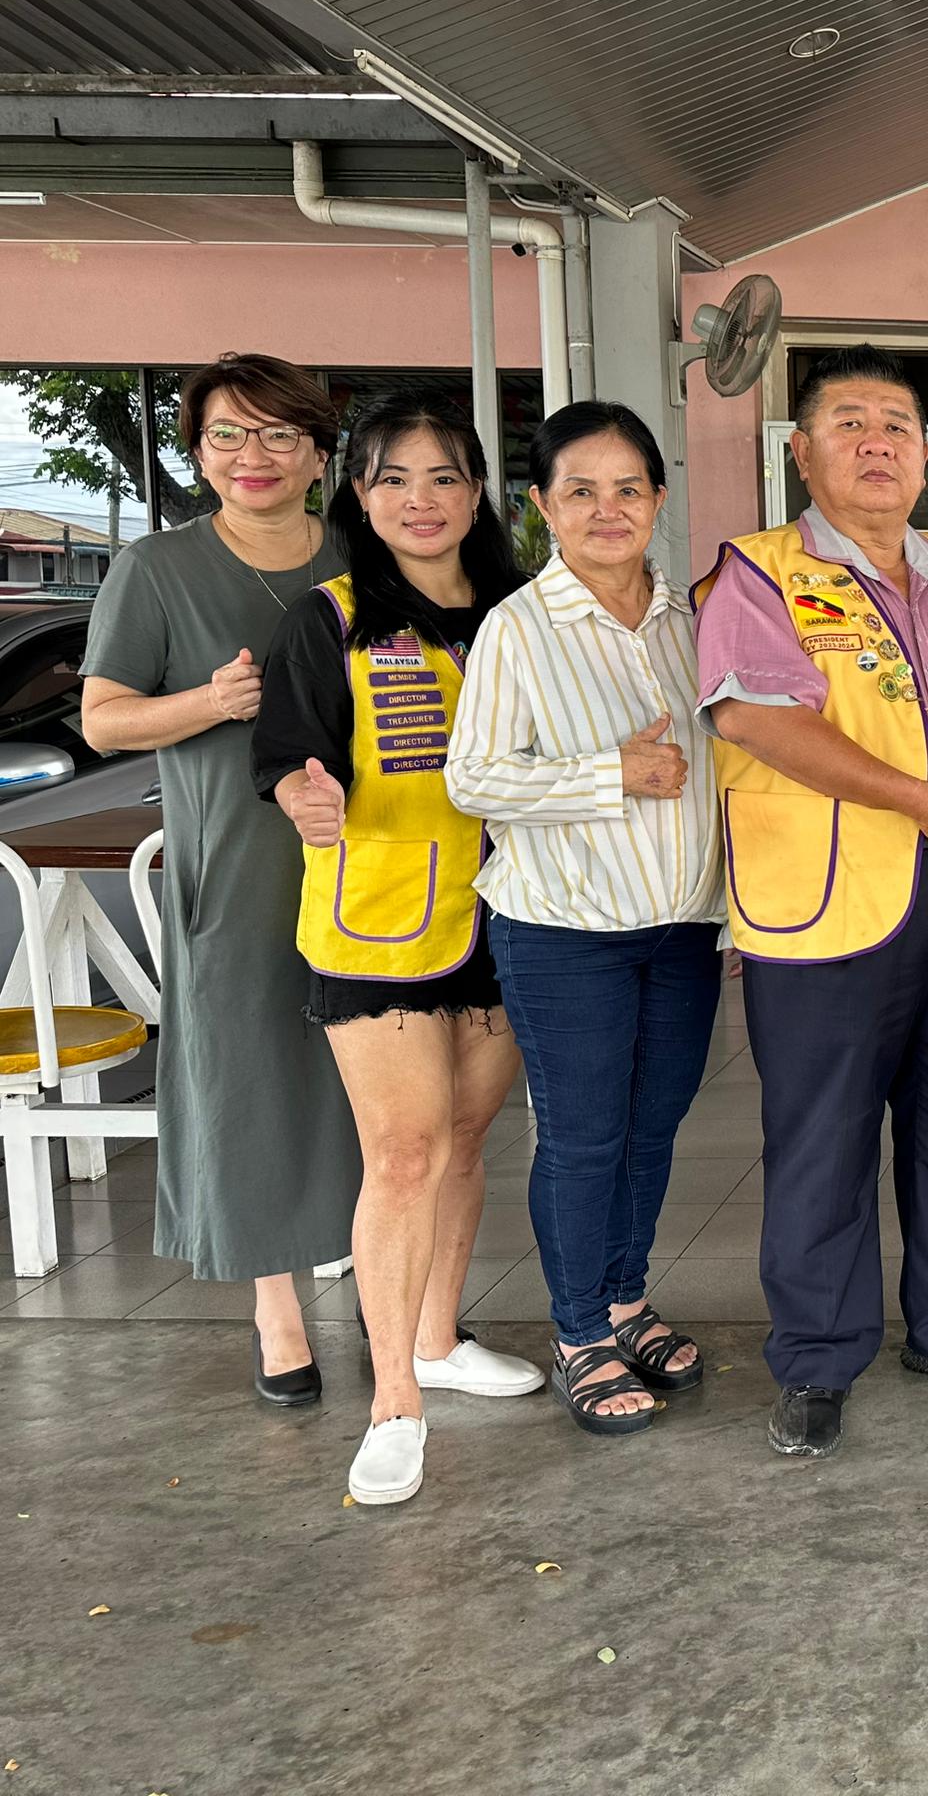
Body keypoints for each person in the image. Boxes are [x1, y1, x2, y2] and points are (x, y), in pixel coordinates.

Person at [694, 345, 928, 1460]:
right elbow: (756, 718)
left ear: (926, 458)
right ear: (802, 454)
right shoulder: (758, 573)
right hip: (832, 893)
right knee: (824, 1131)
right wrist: (918, 801)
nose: (877, 443)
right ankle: (817, 1356)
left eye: (897, 426)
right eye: (849, 422)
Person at [252, 390, 539, 1504]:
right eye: (393, 479)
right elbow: (288, 755)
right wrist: (303, 796)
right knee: (405, 1154)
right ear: (358, 497)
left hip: (512, 911)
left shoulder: (520, 610)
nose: (422, 500)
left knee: (463, 1137)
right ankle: (393, 1404)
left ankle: (438, 1339)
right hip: (382, 923)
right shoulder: (327, 621)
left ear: (478, 493)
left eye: (444, 477)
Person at [78, 353, 364, 1409]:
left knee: (380, 1086)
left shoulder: (363, 553)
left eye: (280, 434)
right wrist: (211, 702)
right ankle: (277, 1309)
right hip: (238, 870)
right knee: (252, 1083)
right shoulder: (158, 568)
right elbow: (104, 719)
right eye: (228, 436)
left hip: (373, 863)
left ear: (318, 454)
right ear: (197, 453)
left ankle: (397, 1294)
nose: (255, 456)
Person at [445, 402, 726, 1440]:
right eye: (580, 491)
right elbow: (473, 780)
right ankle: (576, 1333)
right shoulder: (518, 628)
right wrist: (611, 773)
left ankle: (622, 1301)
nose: (608, 510)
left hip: (684, 925)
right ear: (542, 506)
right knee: (582, 1136)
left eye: (627, 489)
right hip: (566, 930)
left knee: (653, 1127)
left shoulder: (692, 620)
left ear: (658, 497)